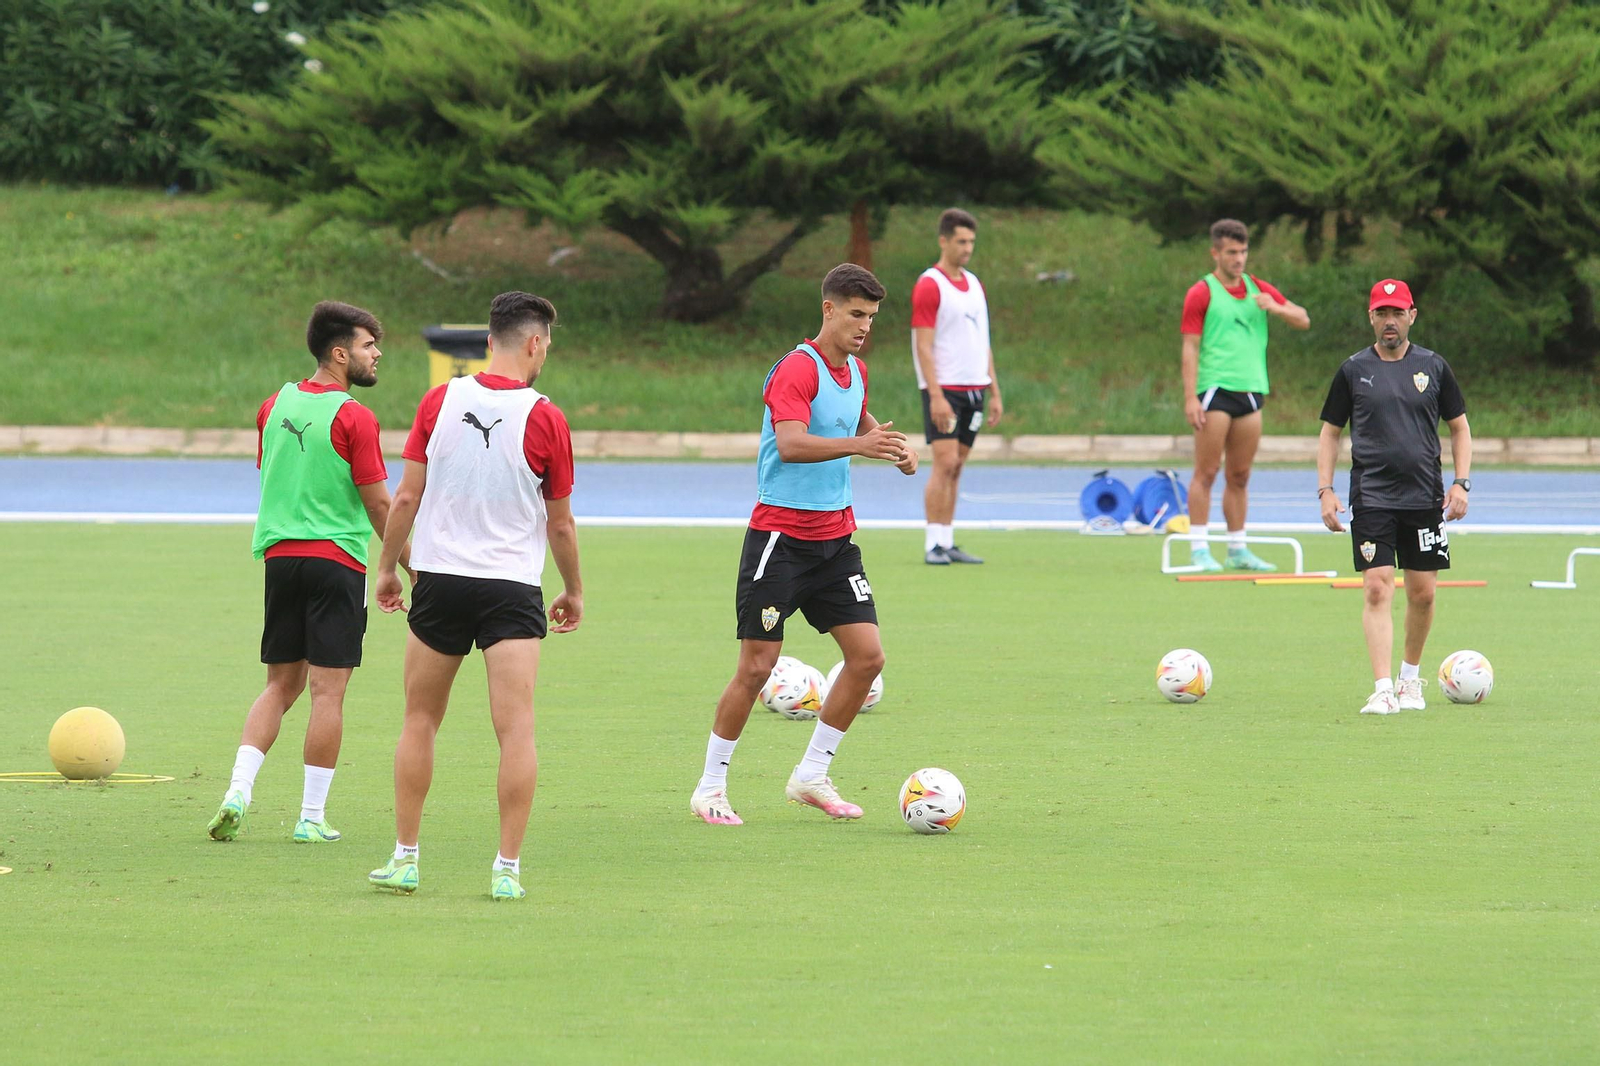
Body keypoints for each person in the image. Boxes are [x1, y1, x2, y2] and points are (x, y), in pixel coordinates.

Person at [366, 291, 582, 900]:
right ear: (535, 343)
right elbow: (560, 524)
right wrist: (573, 589)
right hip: (511, 588)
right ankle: (506, 869)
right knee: (516, 730)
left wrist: (387, 568)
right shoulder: (547, 417)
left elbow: (404, 498)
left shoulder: (440, 400)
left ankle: (406, 857)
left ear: (490, 341)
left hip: (439, 580)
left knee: (420, 720)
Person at [690, 264, 917, 826]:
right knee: (756, 667)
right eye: (856, 314)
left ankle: (811, 775)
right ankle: (710, 786)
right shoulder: (796, 369)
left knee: (867, 658)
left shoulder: (856, 371)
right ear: (829, 310)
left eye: (871, 317)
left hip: (836, 542)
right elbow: (791, 444)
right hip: (780, 541)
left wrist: (890, 447)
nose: (864, 326)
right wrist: (860, 445)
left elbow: (858, 421)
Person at [208, 301, 409, 844]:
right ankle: (311, 817)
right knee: (327, 694)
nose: (377, 354)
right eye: (369, 346)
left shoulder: (273, 406)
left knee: (279, 685)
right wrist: (408, 566)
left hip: (280, 561)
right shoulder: (354, 417)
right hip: (336, 563)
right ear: (340, 353)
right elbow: (380, 507)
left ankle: (237, 792)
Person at [1317, 279, 1472, 716]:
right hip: (1372, 497)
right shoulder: (1352, 371)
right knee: (1376, 586)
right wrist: (1326, 490)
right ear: (1371, 318)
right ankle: (1382, 687)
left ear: (1412, 316)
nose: (1390, 321)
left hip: (1425, 497)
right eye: (1382, 313)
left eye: (1397, 313)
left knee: (1422, 593)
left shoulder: (1434, 367)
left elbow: (1459, 427)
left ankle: (1409, 679)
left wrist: (1461, 482)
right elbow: (1330, 433)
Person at [1180, 219, 1311, 571]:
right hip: (1216, 390)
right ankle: (1199, 549)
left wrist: (1277, 307)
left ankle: (1237, 548)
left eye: (1243, 251)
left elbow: (1303, 319)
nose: (1239, 259)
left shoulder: (1258, 289)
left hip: (1251, 391)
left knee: (1240, 475)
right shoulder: (1202, 292)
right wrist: (1191, 397)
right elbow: (1190, 348)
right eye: (1232, 253)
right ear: (1216, 253)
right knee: (1206, 472)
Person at [912, 208, 1002, 565]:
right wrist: (935, 394)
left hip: (974, 389)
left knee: (958, 465)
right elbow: (923, 344)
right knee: (944, 462)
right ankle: (933, 542)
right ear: (944, 241)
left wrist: (994, 390)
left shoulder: (975, 284)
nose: (967, 248)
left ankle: (948, 539)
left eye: (971, 242)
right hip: (944, 389)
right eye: (961, 241)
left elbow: (983, 341)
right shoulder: (930, 284)